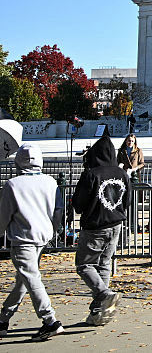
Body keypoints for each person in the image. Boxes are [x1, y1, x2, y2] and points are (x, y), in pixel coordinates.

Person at [0, 144, 64, 341]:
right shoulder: (50, 182)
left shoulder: (13, 184)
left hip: (22, 237)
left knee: (31, 279)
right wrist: (55, 229)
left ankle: (50, 320)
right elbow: (58, 211)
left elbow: (4, 214)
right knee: (25, 279)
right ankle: (3, 319)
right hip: (42, 235)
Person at [72, 131, 130, 326]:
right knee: (104, 264)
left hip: (95, 225)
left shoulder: (91, 174)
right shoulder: (122, 173)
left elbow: (79, 204)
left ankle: (103, 293)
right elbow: (127, 201)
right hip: (116, 223)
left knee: (85, 265)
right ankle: (100, 312)